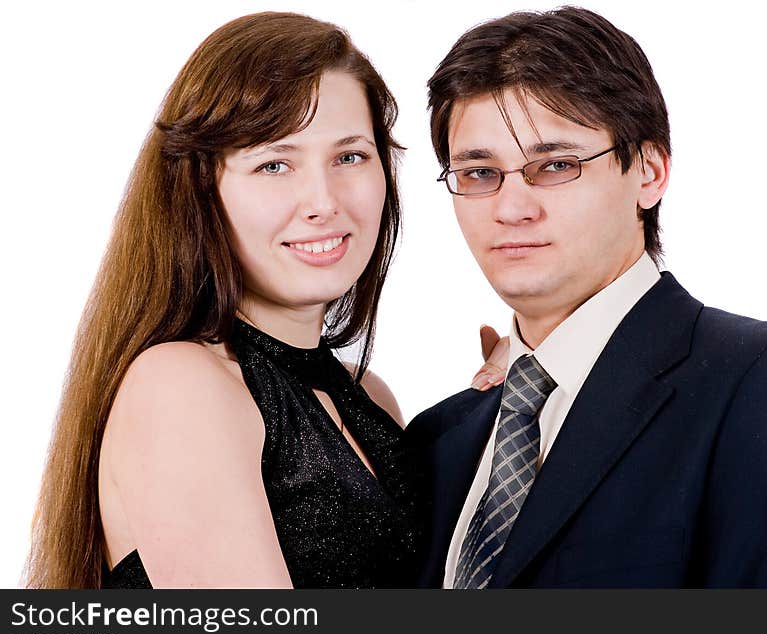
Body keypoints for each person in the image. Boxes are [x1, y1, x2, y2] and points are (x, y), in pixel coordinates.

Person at [25, 11, 503, 589]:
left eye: (349, 156)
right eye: (274, 164)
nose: (323, 201)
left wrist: (512, 409)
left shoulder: (368, 395)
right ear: (202, 190)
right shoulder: (181, 384)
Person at [408, 6, 767, 587]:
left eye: (556, 165)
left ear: (650, 172)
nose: (512, 208)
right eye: (480, 174)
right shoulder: (440, 441)